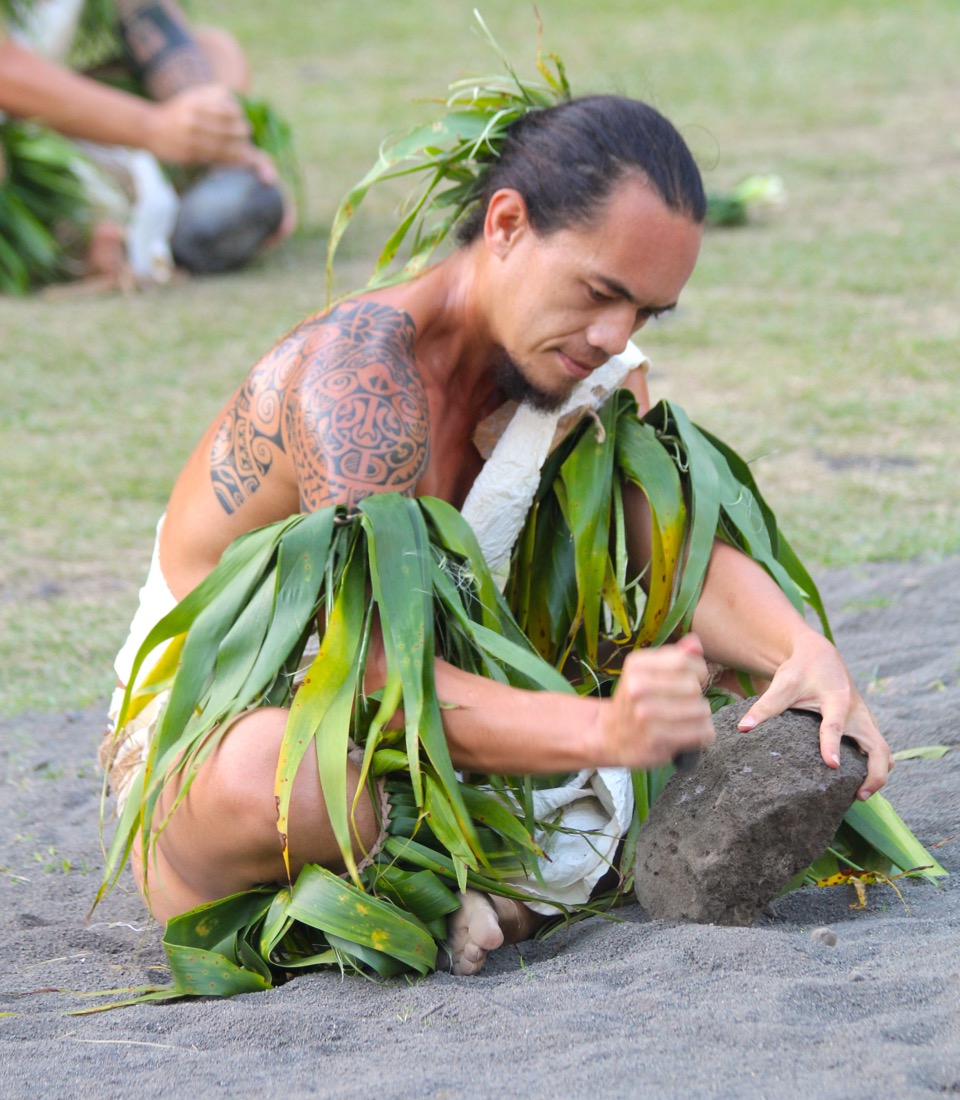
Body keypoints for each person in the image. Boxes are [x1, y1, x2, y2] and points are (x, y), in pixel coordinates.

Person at [101, 93, 892, 979]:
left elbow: (674, 556)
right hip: (232, 739)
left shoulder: (584, 375)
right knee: (282, 780)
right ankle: (478, 885)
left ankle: (461, 886)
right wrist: (605, 730)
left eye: (645, 314)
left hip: (454, 734)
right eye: (600, 292)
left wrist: (801, 651)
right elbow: (378, 679)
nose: (614, 337)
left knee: (732, 686)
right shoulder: (356, 388)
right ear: (506, 224)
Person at [0, 0, 292, 286]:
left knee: (218, 51)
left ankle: (160, 210)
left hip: (46, 118)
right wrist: (152, 126)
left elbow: (147, 13)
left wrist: (214, 134)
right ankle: (76, 232)